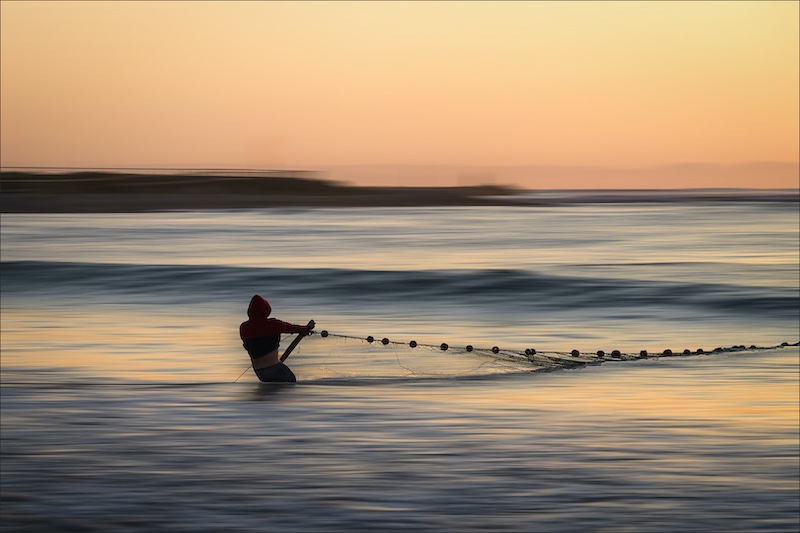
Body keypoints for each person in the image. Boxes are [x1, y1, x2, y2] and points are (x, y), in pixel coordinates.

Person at [240, 295, 314, 383]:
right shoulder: (273, 324)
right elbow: (291, 328)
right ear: (266, 310)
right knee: (291, 386)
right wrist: (308, 328)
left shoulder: (244, 328)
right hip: (276, 369)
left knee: (272, 391)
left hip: (260, 373)